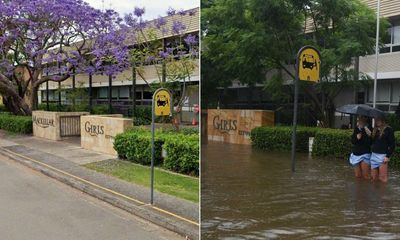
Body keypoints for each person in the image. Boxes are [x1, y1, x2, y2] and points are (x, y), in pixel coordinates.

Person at [370, 116, 396, 183]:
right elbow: (373, 142)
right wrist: (370, 135)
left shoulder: (389, 129)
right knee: (373, 178)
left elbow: (392, 144)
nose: (377, 121)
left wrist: (387, 156)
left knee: (383, 178)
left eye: (378, 119)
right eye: (376, 119)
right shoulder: (375, 129)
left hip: (382, 156)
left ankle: (383, 193)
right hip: (373, 155)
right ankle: (375, 193)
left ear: (383, 120)